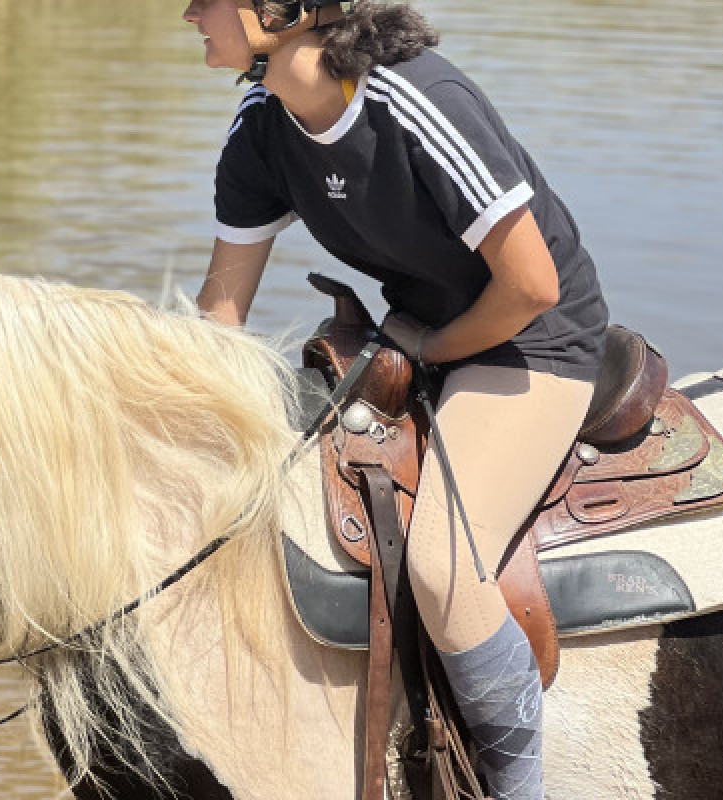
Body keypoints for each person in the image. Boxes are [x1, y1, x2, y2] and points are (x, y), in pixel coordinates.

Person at [180, 1, 609, 797]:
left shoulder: (415, 98)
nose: (189, 14)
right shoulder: (263, 119)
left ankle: (519, 787)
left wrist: (433, 348)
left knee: (445, 568)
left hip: (534, 340)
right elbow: (220, 315)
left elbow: (533, 283)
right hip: (418, 331)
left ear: (285, 9)